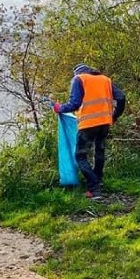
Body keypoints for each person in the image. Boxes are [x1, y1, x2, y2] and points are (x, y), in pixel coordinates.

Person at [53, 64, 126, 199]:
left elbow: (74, 103)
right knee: (99, 152)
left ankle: (94, 188)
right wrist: (114, 116)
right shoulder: (105, 79)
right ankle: (99, 180)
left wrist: (59, 108)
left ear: (77, 73)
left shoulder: (79, 79)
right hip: (104, 122)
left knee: (80, 156)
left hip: (88, 124)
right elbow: (121, 97)